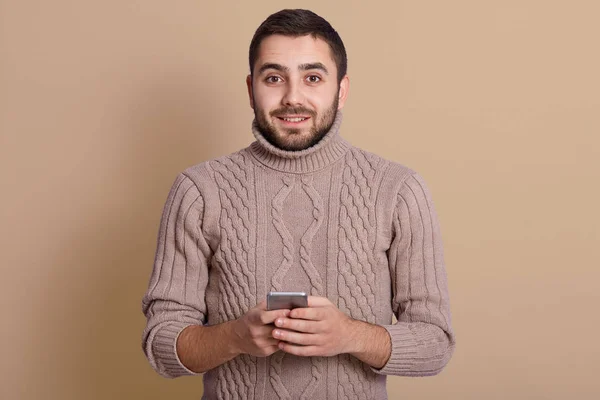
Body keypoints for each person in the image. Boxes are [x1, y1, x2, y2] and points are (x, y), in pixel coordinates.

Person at [142, 8, 455, 400]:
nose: (292, 97)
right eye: (274, 78)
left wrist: (349, 335)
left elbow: (435, 343)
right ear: (250, 88)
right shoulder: (199, 190)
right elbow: (160, 345)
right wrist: (235, 337)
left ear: (340, 90)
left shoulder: (398, 190)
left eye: (312, 77)